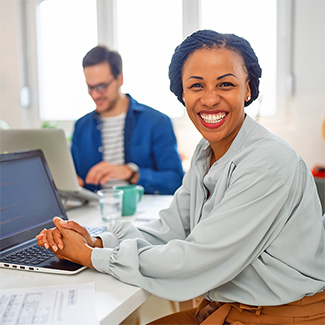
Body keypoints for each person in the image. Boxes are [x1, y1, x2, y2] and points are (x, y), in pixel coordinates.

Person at [37, 30, 325, 324]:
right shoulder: (206, 152)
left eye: (225, 84)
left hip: (283, 316)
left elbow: (197, 259)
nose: (210, 98)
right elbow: (170, 229)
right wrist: (98, 242)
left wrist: (90, 257)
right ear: (182, 94)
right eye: (196, 85)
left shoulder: (267, 161)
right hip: (230, 308)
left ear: (248, 89)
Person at [71, 45, 184, 195]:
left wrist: (132, 174)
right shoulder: (81, 127)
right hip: (94, 212)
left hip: (142, 212)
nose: (95, 95)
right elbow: (74, 179)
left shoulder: (157, 122)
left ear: (120, 78)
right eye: (90, 87)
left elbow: (175, 181)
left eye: (102, 86)